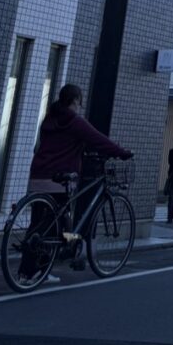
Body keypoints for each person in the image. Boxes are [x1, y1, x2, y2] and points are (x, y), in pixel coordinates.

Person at [22, 84, 132, 281]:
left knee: (39, 224)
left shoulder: (49, 118)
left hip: (37, 175)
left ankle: (28, 271)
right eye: (79, 103)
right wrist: (121, 152)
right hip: (59, 179)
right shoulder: (74, 121)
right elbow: (99, 140)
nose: (79, 107)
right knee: (56, 225)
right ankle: (42, 268)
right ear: (74, 101)